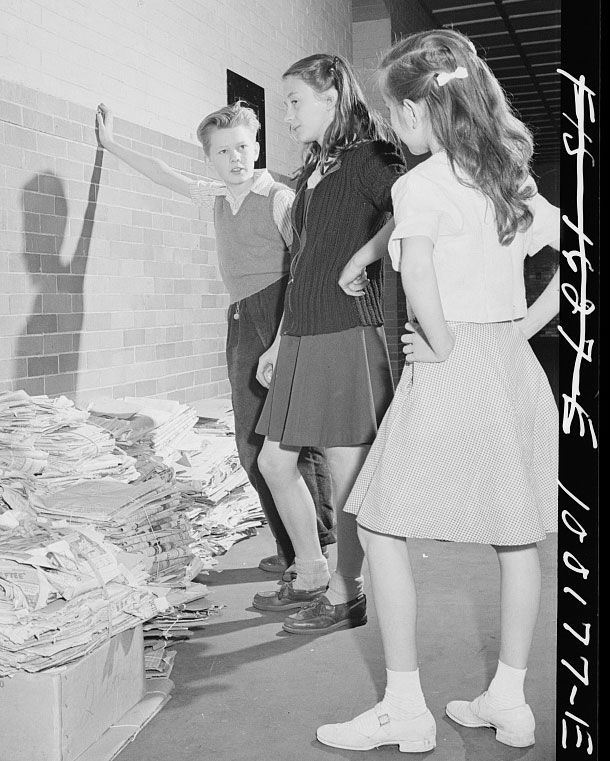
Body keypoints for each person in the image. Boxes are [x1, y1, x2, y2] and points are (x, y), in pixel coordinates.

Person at [314, 29, 560, 753]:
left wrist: (445, 340)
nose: (393, 127)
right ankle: (510, 699)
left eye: (395, 113)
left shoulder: (418, 184)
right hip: (511, 365)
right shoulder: (509, 177)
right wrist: (517, 329)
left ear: (420, 109)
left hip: (450, 366)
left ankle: (404, 707)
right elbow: (576, 253)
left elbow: (417, 273)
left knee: (383, 527)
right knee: (518, 536)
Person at [94, 101, 336, 583]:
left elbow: (306, 270)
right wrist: (111, 143)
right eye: (223, 151)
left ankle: (308, 550)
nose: (236, 158)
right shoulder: (219, 196)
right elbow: (164, 174)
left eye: (244, 147)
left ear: (257, 146)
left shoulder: (277, 197)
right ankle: (301, 544)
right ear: (210, 158)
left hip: (278, 316)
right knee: (270, 442)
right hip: (244, 317)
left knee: (276, 441)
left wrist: (283, 338)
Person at [251, 54, 405, 630]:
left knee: (346, 472)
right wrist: (278, 340)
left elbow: (412, 213)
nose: (285, 116)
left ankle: (347, 592)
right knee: (273, 460)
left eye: (294, 102)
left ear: (333, 93)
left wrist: (363, 257)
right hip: (301, 333)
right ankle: (312, 567)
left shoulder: (372, 158)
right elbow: (302, 261)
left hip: (347, 332)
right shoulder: (315, 167)